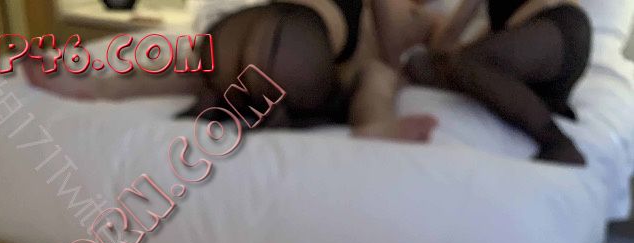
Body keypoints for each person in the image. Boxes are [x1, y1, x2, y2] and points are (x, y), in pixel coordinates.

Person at [22, 1, 439, 141]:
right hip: (303, 54)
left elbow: (410, 45)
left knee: (194, 63)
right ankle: (373, 124)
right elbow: (393, 52)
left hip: (282, 43)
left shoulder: (418, 15)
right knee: (378, 80)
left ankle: (102, 86)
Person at [396, 0, 592, 164]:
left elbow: (527, 16)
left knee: (467, 63)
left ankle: (557, 142)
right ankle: (540, 101)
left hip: (559, 32)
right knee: (419, 64)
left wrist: (462, 58)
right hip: (523, 63)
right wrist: (438, 53)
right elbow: (452, 32)